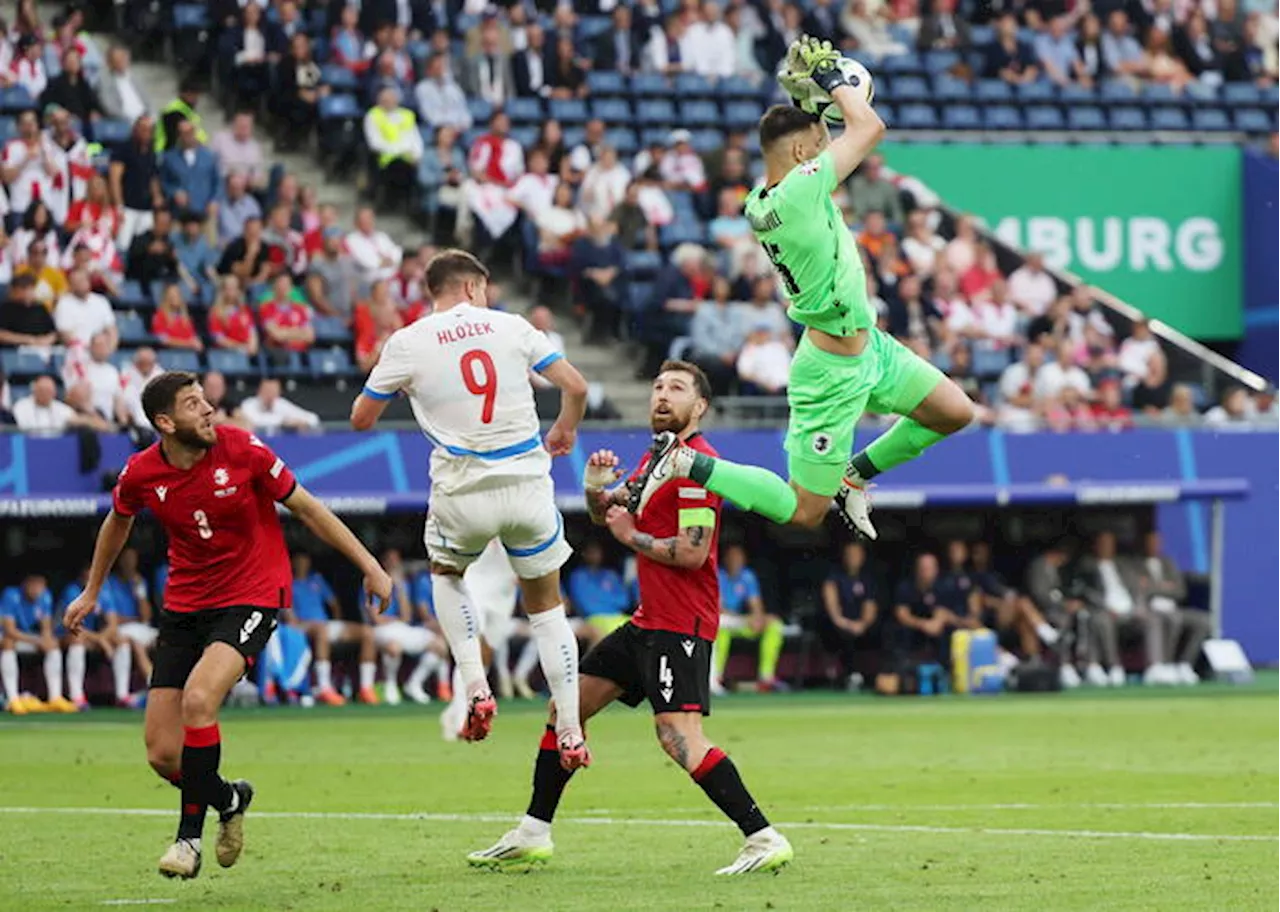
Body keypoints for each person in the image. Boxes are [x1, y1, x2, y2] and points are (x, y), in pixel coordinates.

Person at [631, 37, 972, 539]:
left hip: (869, 348)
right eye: (818, 147)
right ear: (799, 154)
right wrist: (834, 79)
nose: (827, 151)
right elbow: (870, 126)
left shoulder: (762, 196)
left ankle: (852, 477)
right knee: (804, 511)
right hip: (829, 371)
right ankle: (686, 463)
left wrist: (806, 103)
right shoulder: (801, 189)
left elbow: (799, 138)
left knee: (954, 412)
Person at [63, 371, 393, 880]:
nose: (209, 409)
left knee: (199, 700)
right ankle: (230, 798)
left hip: (252, 595)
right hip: (185, 603)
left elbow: (307, 507)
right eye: (194, 404)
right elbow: (118, 520)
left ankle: (187, 841)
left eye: (206, 399)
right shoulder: (142, 471)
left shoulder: (244, 449)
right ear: (165, 422)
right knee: (162, 754)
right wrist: (92, 590)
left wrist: (370, 565)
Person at [469, 361, 792, 874]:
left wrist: (627, 536)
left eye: (677, 389)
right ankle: (533, 831)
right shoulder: (656, 458)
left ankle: (763, 836)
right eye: (658, 386)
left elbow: (692, 552)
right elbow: (607, 512)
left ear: (700, 407)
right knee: (565, 710)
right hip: (647, 622)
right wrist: (597, 485)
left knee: (677, 736)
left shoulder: (696, 466)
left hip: (680, 622)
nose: (662, 395)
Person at [350, 249, 590, 757]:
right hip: (526, 484)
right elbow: (576, 385)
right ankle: (569, 729)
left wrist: (405, 387)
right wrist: (565, 427)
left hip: (463, 491)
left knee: (446, 574)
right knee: (547, 610)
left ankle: (475, 686)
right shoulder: (511, 326)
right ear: (473, 287)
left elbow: (361, 420)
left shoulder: (408, 341)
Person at [288, 552, 377, 706]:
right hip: (303, 626)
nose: (302, 564)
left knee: (368, 633)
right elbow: (289, 613)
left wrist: (336, 620)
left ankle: (366, 688)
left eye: (305, 561)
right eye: (299, 561)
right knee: (322, 631)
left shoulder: (317, 580)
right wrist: (294, 622)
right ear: (293, 563)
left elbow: (333, 603)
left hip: (325, 625)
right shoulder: (289, 583)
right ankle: (324, 688)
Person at [712, 543, 786, 693]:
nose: (735, 561)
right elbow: (719, 608)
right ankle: (715, 678)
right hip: (722, 620)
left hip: (739, 623)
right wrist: (746, 619)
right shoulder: (717, 575)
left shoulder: (747, 576)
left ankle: (766, 676)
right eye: (732, 557)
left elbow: (756, 604)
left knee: (774, 625)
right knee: (720, 631)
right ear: (725, 559)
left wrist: (758, 618)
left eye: (739, 557)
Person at [1, 574, 76, 713]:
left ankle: (55, 697)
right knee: (8, 643)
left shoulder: (45, 596)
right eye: (34, 584)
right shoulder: (11, 595)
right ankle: (13, 699)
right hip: (8, 637)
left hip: (28, 638)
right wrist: (37, 641)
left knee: (52, 644)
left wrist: (46, 640)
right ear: (25, 583)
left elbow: (46, 628)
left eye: (40, 585)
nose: (37, 589)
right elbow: (9, 631)